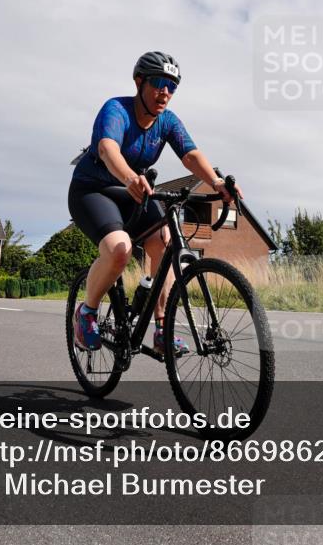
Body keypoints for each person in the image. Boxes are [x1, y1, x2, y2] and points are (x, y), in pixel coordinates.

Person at [67, 51, 241, 356]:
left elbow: (190, 155)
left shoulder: (168, 122)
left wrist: (215, 181)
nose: (165, 92)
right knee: (119, 250)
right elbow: (108, 149)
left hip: (137, 192)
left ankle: (163, 329)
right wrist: (130, 177)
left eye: (172, 86)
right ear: (139, 82)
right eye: (159, 83)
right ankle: (86, 313)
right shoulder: (116, 109)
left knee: (166, 241)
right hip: (94, 190)